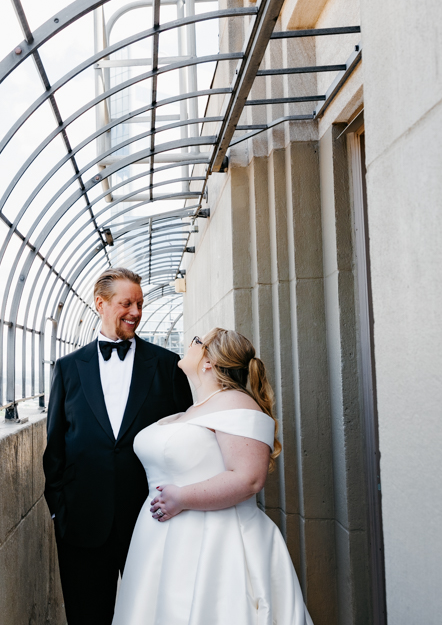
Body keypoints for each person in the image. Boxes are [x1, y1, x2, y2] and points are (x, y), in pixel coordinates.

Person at [111, 327, 314, 625]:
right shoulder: (199, 406)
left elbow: (249, 479)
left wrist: (181, 497)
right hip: (160, 541)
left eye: (196, 342)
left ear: (209, 361)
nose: (190, 345)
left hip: (213, 543)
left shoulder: (237, 403)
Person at [42, 267, 193, 625]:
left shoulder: (167, 365)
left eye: (139, 304)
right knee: (86, 617)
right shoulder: (67, 368)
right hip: (81, 523)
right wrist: (59, 512)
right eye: (127, 303)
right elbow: (55, 449)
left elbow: (186, 438)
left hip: (152, 519)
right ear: (101, 304)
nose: (136, 312)